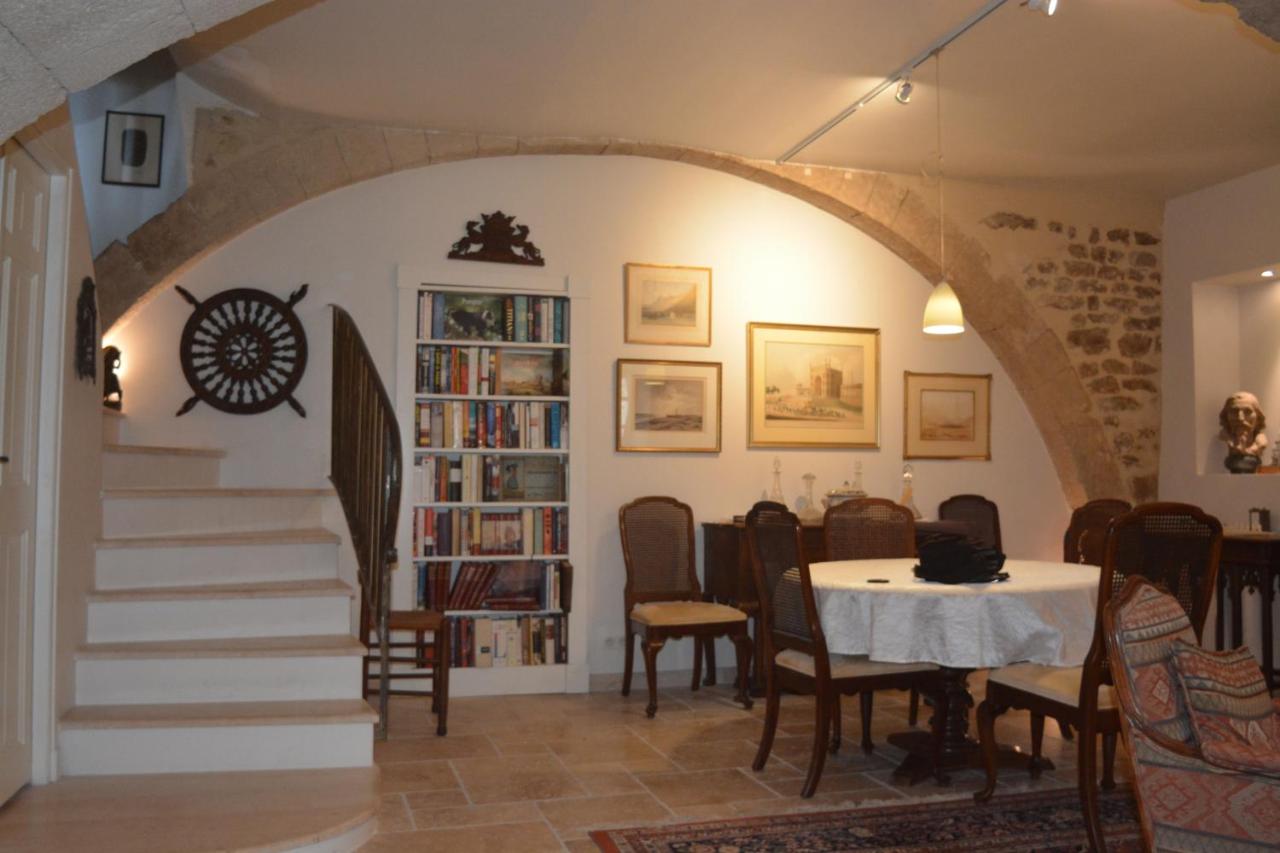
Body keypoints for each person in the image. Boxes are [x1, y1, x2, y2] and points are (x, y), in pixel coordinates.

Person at [1218, 391, 1269, 473]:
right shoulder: (1224, 437)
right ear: (1226, 416)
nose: (1240, 418)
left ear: (1258, 416)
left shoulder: (1261, 441)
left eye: (1248, 411)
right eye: (1234, 411)